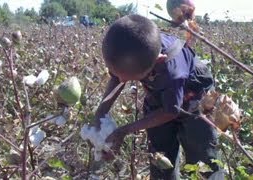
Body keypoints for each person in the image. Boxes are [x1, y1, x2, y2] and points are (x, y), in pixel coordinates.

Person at [93, 14, 220, 179]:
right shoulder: (132, 53)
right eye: (117, 74)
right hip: (160, 95)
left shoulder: (172, 71)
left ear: (158, 61)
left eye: (131, 78)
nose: (122, 80)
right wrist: (101, 112)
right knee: (159, 156)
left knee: (201, 157)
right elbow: (118, 78)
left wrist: (124, 131)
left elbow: (170, 111)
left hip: (195, 99)